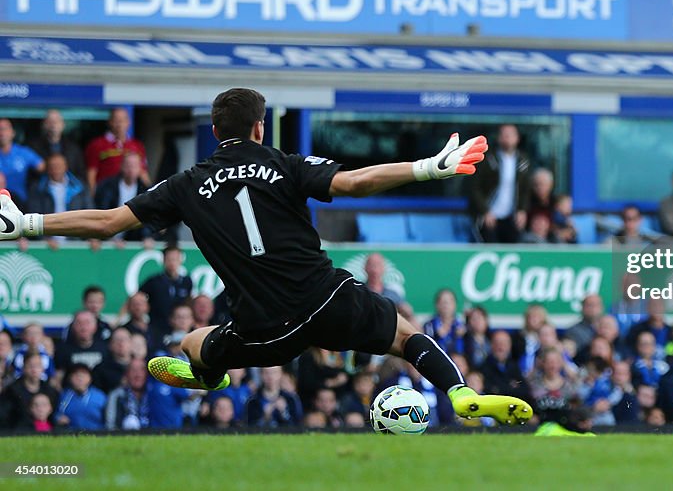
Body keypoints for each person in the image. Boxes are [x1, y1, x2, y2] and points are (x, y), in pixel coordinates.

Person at [0, 88, 532, 426]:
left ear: (214, 134)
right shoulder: (284, 162)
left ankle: (210, 372)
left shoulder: (186, 184)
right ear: (260, 128)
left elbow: (109, 220)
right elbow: (355, 182)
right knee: (405, 334)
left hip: (263, 327)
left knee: (190, 342)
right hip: (325, 297)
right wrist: (428, 167)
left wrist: (27, 222)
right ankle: (460, 395)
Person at [469, 123, 531, 243]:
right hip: (489, 217)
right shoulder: (488, 159)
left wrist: (522, 210)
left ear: (517, 138)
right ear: (498, 138)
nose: (506, 138)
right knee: (490, 249)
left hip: (511, 217)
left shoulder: (523, 161)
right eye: (503, 135)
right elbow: (474, 188)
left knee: (513, 250)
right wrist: (485, 211)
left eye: (510, 135)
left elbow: (525, 189)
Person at [84, 108, 149, 194]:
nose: (120, 124)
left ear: (129, 122)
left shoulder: (137, 145)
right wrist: (92, 196)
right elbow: (91, 174)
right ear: (109, 122)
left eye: (123, 120)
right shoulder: (97, 144)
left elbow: (142, 172)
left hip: (131, 193)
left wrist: (150, 193)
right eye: (116, 120)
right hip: (106, 194)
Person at [0, 118, 44, 203]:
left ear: (13, 133)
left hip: (20, 202)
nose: (1, 133)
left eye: (4, 129)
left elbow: (43, 167)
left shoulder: (23, 152)